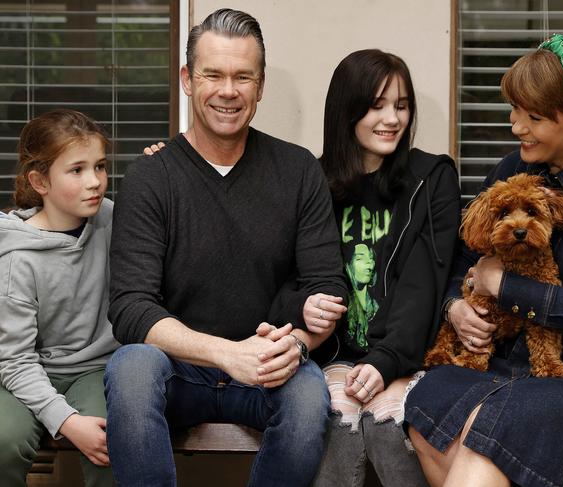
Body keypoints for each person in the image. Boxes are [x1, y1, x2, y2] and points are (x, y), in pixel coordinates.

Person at [104, 8, 347, 487]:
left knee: (307, 394)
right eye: (213, 74)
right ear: (188, 80)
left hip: (267, 368)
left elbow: (327, 288)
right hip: (178, 371)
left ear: (260, 86)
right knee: (131, 367)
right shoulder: (151, 178)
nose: (228, 90)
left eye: (243, 77)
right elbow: (130, 308)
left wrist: (293, 346)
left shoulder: (298, 171)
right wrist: (226, 354)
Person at [405, 34, 563, 487]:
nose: (516, 126)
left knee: (482, 446)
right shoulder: (508, 172)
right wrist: (455, 309)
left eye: (534, 116)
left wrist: (505, 287)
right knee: (428, 406)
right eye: (515, 109)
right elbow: (463, 262)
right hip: (509, 358)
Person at [312, 49, 461, 487]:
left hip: (409, 356)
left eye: (401, 105)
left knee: (385, 422)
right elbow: (293, 278)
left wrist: (385, 361)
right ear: (347, 110)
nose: (392, 118)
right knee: (338, 419)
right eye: (377, 105)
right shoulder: (314, 183)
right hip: (336, 356)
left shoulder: (430, 179)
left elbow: (424, 287)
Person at [0, 109, 116, 487]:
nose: (95, 182)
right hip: (24, 371)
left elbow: (168, 213)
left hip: (94, 369)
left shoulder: (115, 221)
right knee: (4, 441)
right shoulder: (17, 257)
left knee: (112, 439)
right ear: (40, 181)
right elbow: (14, 358)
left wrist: (162, 166)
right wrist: (66, 421)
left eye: (99, 167)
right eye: (77, 170)